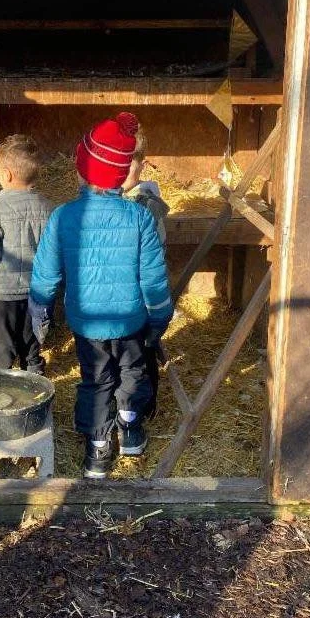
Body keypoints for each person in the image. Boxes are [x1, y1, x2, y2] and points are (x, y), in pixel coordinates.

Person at [29, 113, 173, 478]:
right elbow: (154, 278)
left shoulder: (63, 217)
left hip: (87, 322)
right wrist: (159, 318)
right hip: (130, 321)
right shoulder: (139, 218)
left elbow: (46, 273)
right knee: (132, 373)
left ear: (81, 171)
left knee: (96, 380)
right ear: (121, 175)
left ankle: (97, 451)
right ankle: (131, 432)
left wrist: (39, 309)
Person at [0, 135, 52, 373]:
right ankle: (35, 379)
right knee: (31, 341)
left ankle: (2, 377)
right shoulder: (48, 207)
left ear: (6, 175)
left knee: (3, 343)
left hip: (3, 292)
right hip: (36, 290)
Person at [122, 129, 171, 414]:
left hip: (142, 292)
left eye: (129, 164)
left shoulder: (146, 203)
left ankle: (144, 407)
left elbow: (151, 259)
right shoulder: (123, 198)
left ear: (143, 164)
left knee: (144, 350)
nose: (122, 171)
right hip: (126, 293)